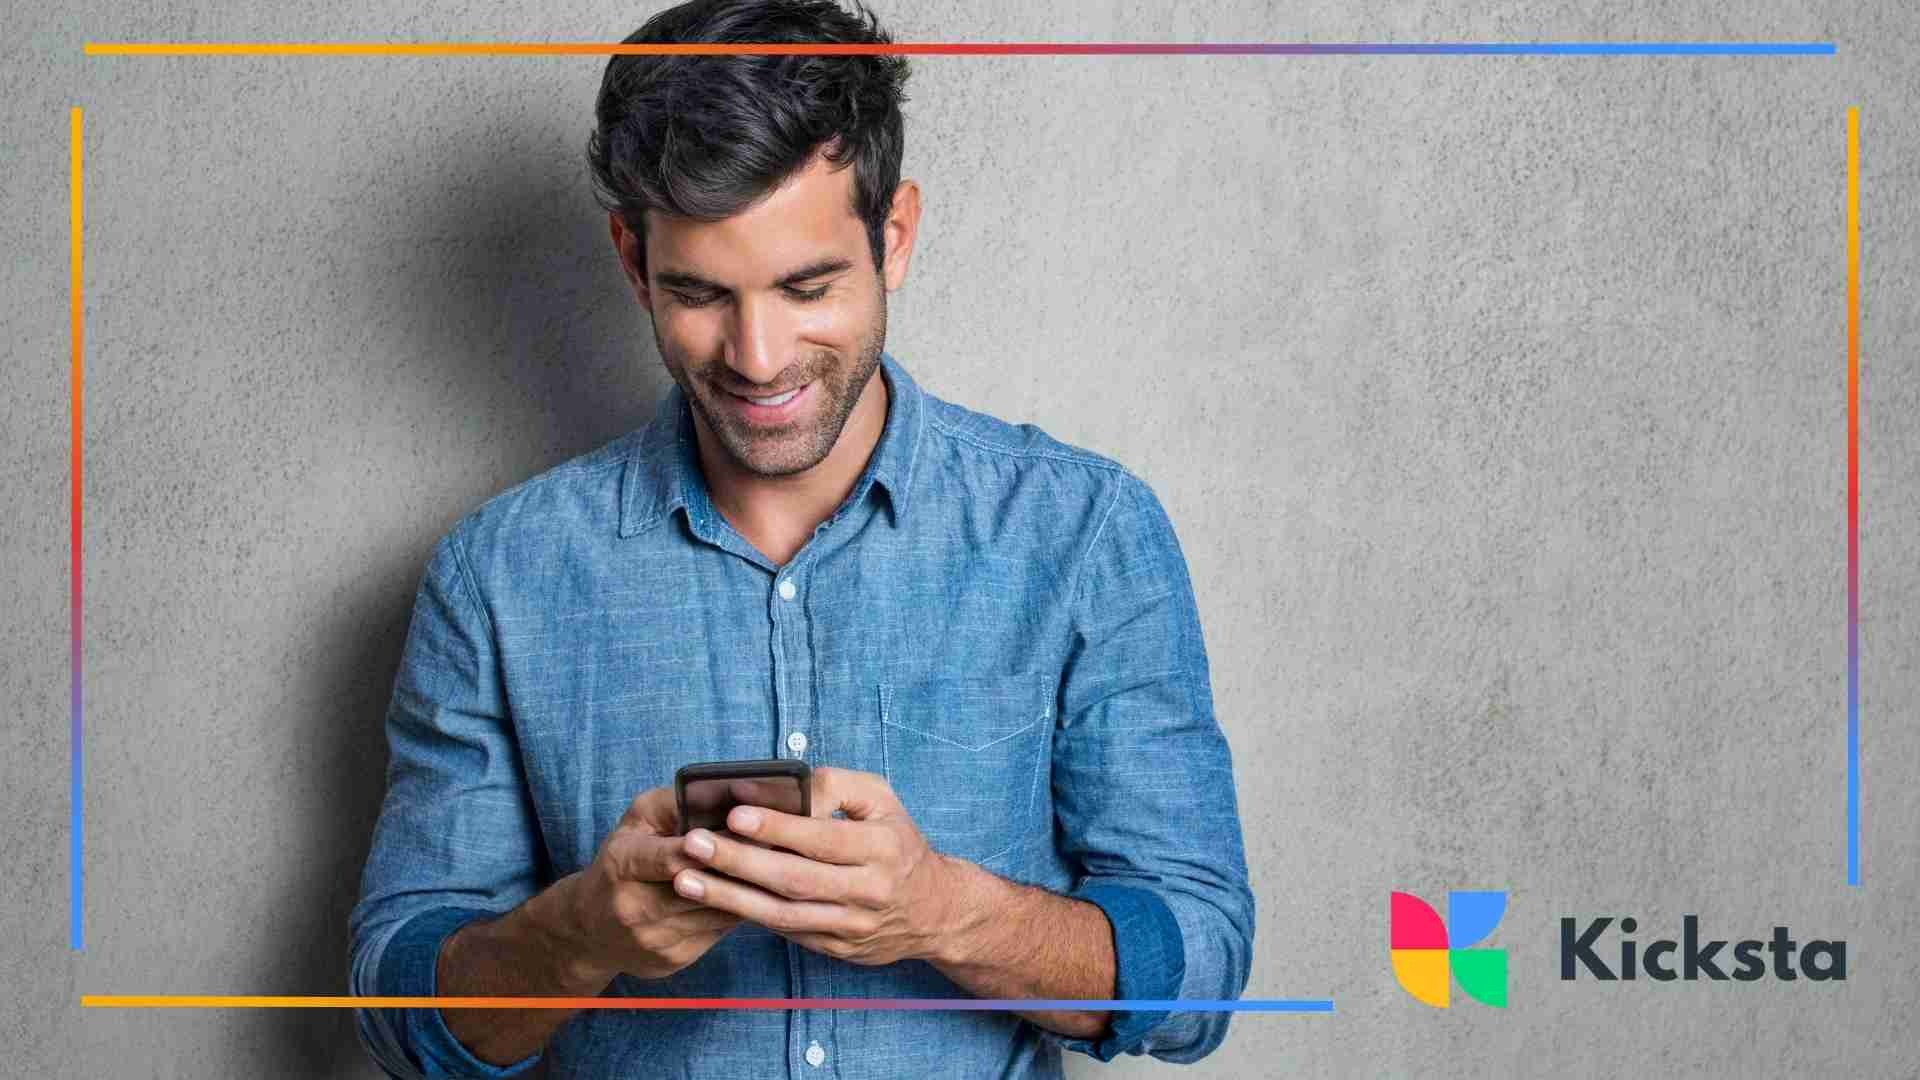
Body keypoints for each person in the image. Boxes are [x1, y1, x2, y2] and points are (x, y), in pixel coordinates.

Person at [347, 1, 1255, 1076]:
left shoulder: (1085, 533)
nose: (759, 354)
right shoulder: (498, 576)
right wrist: (581, 934)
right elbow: (402, 1013)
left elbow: (1199, 974)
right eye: (699, 293)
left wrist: (946, 914)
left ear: (896, 237)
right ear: (633, 262)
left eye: (807, 286)